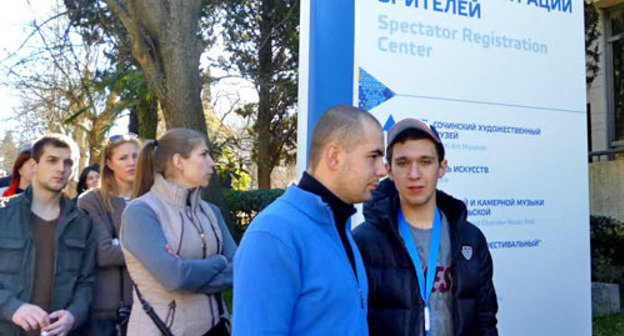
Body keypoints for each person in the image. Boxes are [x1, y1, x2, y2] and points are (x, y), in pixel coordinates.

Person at [233, 105, 387, 335]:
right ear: (334, 157)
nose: (382, 169)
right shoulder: (273, 234)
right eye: (373, 156)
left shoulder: (339, 226)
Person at [353, 118, 499, 336]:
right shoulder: (364, 242)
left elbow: (485, 321)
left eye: (425, 162)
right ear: (389, 170)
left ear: (442, 168)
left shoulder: (470, 239)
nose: (414, 174)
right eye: (403, 163)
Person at [121, 128, 236, 336]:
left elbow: (238, 267)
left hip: (217, 330)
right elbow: (175, 277)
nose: (212, 162)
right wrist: (219, 262)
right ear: (178, 161)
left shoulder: (212, 212)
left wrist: (188, 278)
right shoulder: (141, 212)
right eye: (203, 154)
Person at [0, 134, 96, 336]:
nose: (61, 168)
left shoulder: (82, 223)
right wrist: (11, 307)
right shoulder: (3, 214)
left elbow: (86, 282)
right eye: (52, 160)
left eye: (68, 162)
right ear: (34, 165)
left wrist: (73, 315)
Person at [78, 134, 140, 336]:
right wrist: (151, 250)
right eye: (123, 158)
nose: (131, 163)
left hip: (149, 306)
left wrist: (119, 244)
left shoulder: (152, 197)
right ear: (109, 163)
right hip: (105, 311)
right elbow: (103, 254)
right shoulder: (91, 200)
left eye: (135, 156)